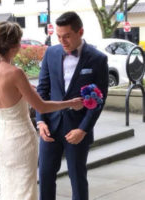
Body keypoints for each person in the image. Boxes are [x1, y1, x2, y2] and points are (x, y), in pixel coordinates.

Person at [0, 21, 83, 200]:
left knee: (9, 189)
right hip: (20, 140)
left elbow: (11, 93)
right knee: (25, 190)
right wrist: (70, 102)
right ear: (14, 45)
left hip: (2, 139)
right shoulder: (15, 72)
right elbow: (41, 106)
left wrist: (29, 88)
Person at [36, 11, 109, 200]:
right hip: (50, 127)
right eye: (58, 36)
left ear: (80, 32)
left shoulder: (97, 59)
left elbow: (99, 100)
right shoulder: (51, 53)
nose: (62, 41)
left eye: (67, 36)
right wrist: (40, 121)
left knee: (77, 179)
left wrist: (83, 130)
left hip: (77, 129)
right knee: (44, 176)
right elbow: (42, 90)